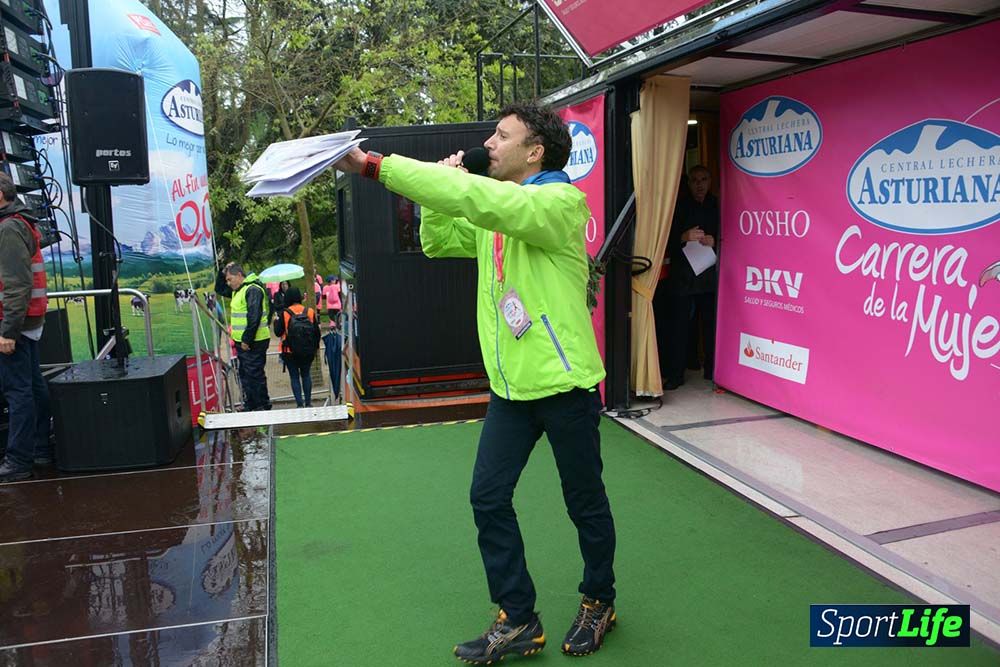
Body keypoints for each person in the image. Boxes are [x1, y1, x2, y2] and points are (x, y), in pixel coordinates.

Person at [334, 102, 616, 663]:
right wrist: (443, 192)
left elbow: (482, 201)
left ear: (535, 152)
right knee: (487, 498)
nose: (489, 142)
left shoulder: (559, 202)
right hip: (510, 394)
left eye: (501, 135)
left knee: (583, 501)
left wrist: (373, 166)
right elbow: (441, 240)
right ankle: (518, 618)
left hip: (565, 388)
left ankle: (599, 600)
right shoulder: (498, 219)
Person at [0, 173, 52, 481]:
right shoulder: (22, 222)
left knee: (18, 391)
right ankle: (40, 448)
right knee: (32, 386)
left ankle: (18, 461)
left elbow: (17, 284)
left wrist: (7, 331)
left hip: (15, 324)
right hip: (28, 322)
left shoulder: (8, 229)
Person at [659, 165, 719, 390]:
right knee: (680, 327)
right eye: (695, 180)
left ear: (710, 181)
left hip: (709, 275)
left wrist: (715, 241)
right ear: (688, 183)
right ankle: (676, 374)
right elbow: (662, 240)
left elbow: (730, 236)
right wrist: (684, 236)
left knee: (711, 325)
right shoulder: (678, 206)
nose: (700, 184)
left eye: (704, 179)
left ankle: (713, 371)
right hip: (683, 277)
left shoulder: (718, 205)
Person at [224, 263, 272, 411]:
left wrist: (246, 339)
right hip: (244, 341)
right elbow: (220, 288)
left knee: (254, 374)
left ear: (239, 275)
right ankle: (252, 403)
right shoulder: (240, 289)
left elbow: (254, 317)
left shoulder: (252, 289)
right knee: (245, 373)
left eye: (230, 279)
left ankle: (260, 405)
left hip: (253, 341)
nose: (228, 283)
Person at [273, 286, 320, 407]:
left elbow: (278, 332)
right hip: (307, 351)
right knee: (306, 375)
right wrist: (314, 348)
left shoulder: (285, 313)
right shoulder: (309, 311)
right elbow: (316, 332)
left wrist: (275, 322)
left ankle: (300, 404)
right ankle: (309, 403)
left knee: (294, 377)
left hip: (289, 351)